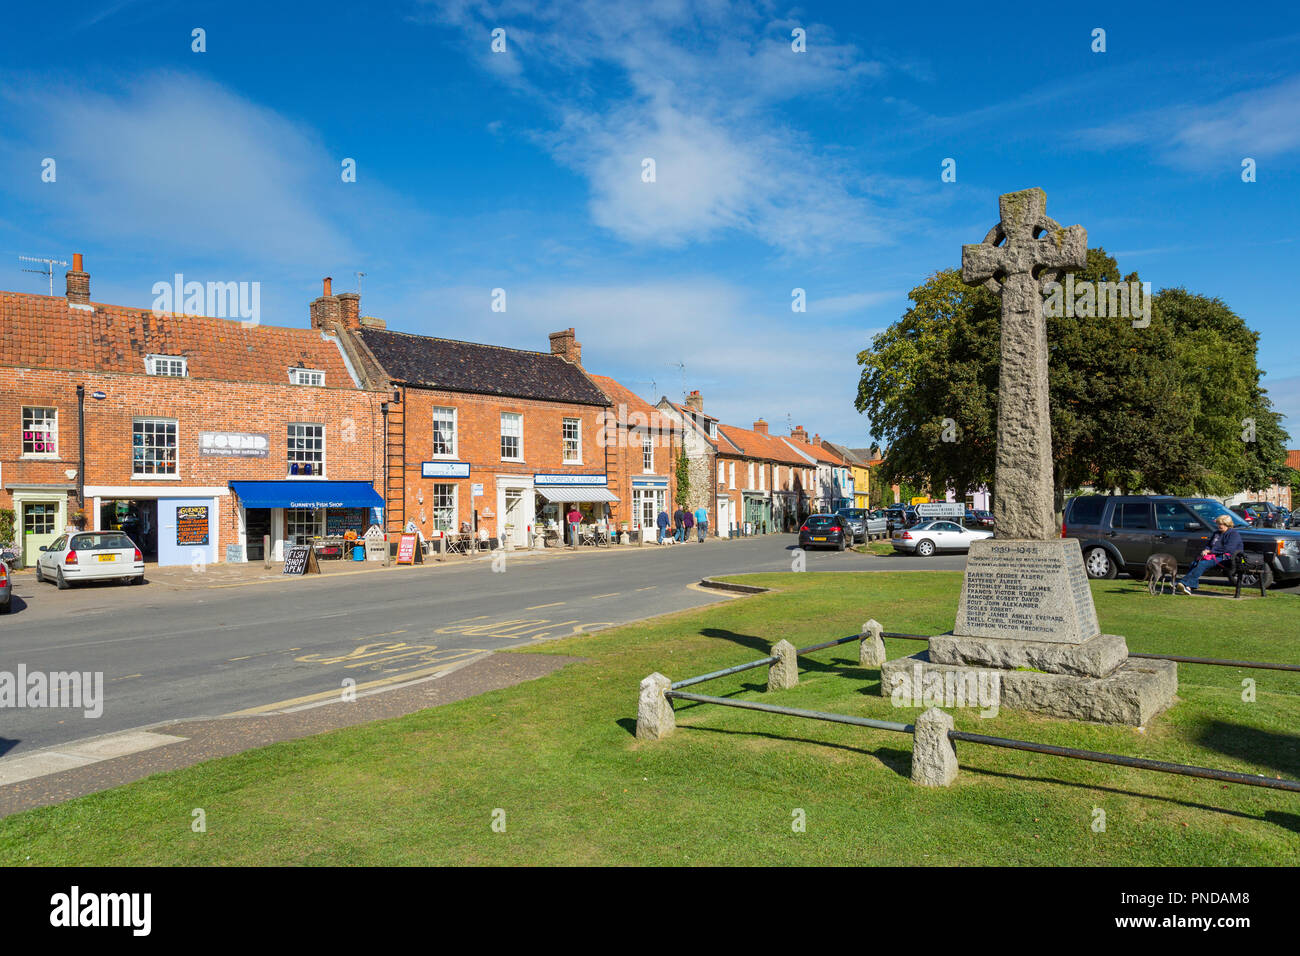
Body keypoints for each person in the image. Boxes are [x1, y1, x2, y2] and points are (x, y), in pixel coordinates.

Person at [1176, 514, 1243, 594]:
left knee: (1202, 564)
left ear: (1227, 524)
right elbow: (1209, 545)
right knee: (1194, 563)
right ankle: (1189, 587)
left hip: (1227, 558)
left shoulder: (1233, 534)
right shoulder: (1216, 533)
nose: (1218, 526)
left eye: (1220, 524)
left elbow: (1228, 549)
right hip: (1215, 556)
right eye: (1218, 523)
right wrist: (1206, 550)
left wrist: (1211, 551)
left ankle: (1183, 583)